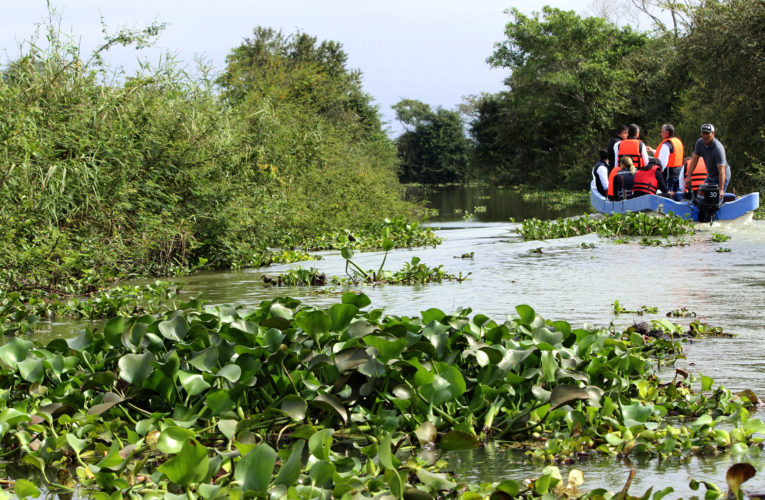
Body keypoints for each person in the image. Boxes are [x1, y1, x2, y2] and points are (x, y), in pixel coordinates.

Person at [685, 123, 731, 200]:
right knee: (703, 197)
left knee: (716, 199)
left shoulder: (718, 148)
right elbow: (694, 160)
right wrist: (689, 176)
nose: (705, 136)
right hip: (710, 176)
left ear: (713, 134)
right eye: (703, 133)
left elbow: (722, 171)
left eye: (707, 134)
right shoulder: (700, 143)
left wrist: (721, 189)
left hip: (722, 176)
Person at [652, 124, 684, 192]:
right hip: (679, 174)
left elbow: (663, 162)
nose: (661, 134)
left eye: (662, 132)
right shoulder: (678, 142)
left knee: (668, 195)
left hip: (669, 175)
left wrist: (659, 174)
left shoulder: (666, 144)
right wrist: (653, 151)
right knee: (677, 195)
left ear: (667, 132)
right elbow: (672, 155)